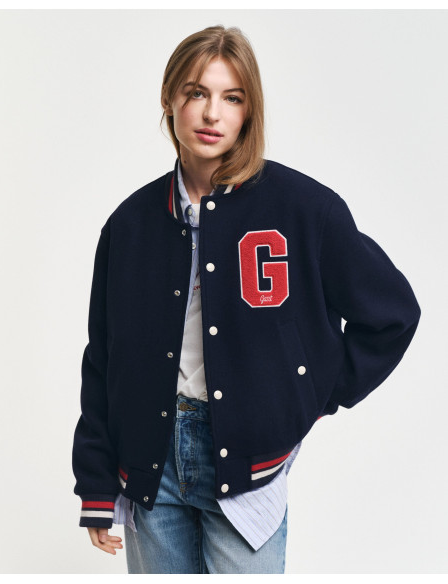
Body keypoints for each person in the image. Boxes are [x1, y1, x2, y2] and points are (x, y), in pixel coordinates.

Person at [72, 25, 421, 574]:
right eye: (196, 93)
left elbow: (393, 314)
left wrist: (310, 393)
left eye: (231, 97)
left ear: (249, 110)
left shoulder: (305, 208)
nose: (212, 113)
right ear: (169, 99)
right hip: (149, 466)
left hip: (248, 468)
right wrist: (95, 483)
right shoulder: (129, 224)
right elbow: (103, 359)